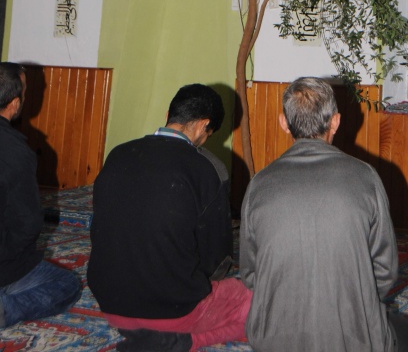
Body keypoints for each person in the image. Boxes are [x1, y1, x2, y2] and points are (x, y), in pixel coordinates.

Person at [239, 76, 408, 352]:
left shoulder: (258, 185)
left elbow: (250, 274)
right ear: (335, 122)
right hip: (353, 340)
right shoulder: (366, 177)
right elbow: (385, 272)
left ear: (283, 123)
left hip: (275, 340)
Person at [87, 83, 251, 352]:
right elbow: (218, 259)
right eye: (208, 134)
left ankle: (155, 336)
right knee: (261, 306)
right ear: (204, 126)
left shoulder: (117, 154)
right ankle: (184, 341)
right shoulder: (209, 168)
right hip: (173, 310)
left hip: (111, 304)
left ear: (168, 114)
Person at [0, 62, 81, 327]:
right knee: (67, 284)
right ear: (14, 104)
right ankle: (5, 309)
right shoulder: (16, 153)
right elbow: (28, 224)